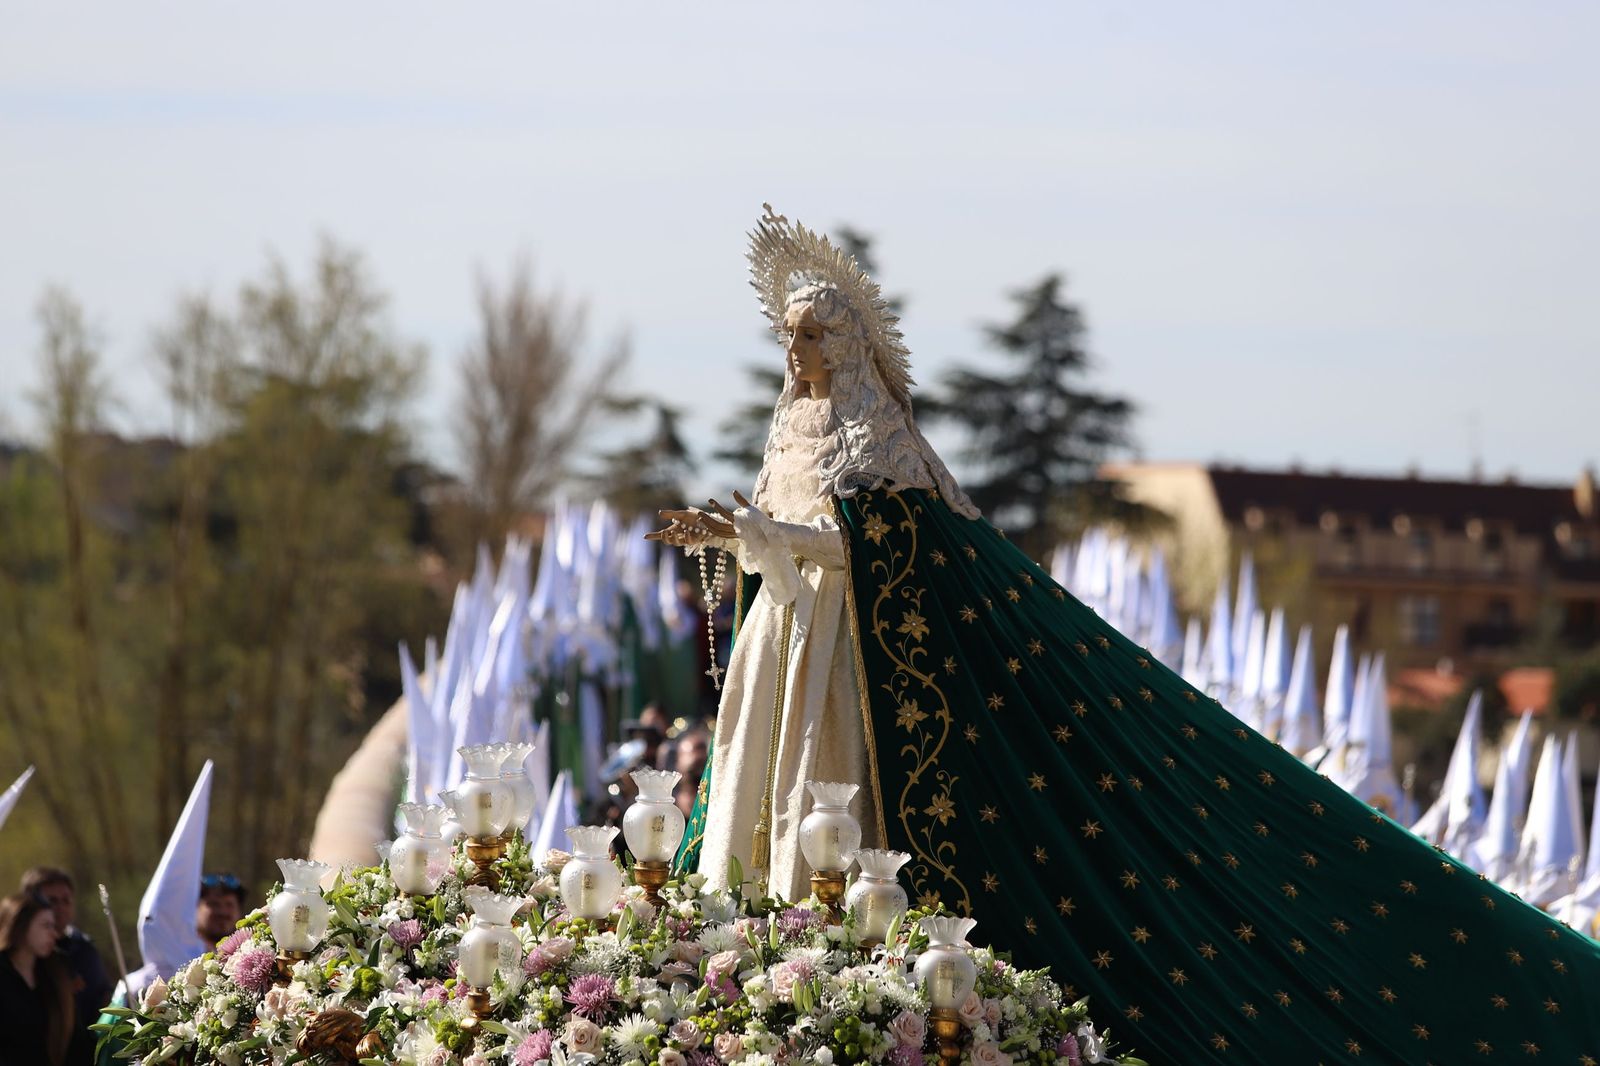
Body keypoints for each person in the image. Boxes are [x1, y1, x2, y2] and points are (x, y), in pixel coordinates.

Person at [653, 205, 1600, 1062]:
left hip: (850, 662)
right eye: (790, 334)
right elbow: (779, 543)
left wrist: (780, 537)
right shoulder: (788, 434)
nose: (798, 349)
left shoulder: (881, 437)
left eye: (814, 332)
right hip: (787, 650)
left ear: (851, 341)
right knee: (763, 799)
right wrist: (735, 539)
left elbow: (900, 550)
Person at [20, 867, 114, 1047]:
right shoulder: (25, 956)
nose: (60, 907)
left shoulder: (85, 949)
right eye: (52, 901)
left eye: (66, 900)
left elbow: (103, 997)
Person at [0, 891, 92, 1066]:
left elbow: (75, 1040)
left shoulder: (55, 972)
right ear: (20, 925)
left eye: (53, 926)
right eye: (45, 926)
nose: (54, 934)